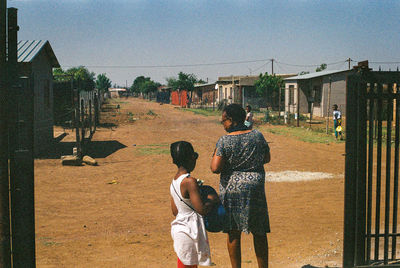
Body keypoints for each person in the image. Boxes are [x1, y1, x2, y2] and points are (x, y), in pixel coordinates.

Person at [210, 104, 271, 268]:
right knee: (259, 231)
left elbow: (215, 167)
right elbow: (266, 158)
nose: (223, 124)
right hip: (255, 188)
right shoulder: (258, 135)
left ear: (232, 120)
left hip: (233, 190)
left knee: (233, 231)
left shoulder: (224, 140)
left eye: (224, 121)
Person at [170, 141, 215, 268]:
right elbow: (201, 209)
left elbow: (175, 211)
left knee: (185, 263)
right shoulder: (190, 182)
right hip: (190, 230)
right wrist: (212, 199)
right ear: (191, 158)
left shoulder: (174, 182)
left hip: (180, 229)